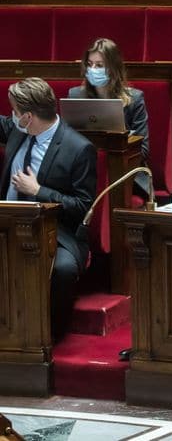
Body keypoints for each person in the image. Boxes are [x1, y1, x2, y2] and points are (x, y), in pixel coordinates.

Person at [1, 77, 97, 339]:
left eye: (16, 112)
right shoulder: (17, 129)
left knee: (63, 270)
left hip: (59, 232)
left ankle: (48, 333)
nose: (12, 117)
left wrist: (38, 191)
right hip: (7, 223)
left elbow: (83, 207)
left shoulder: (78, 149)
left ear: (28, 117)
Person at [68, 37, 150, 193]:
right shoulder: (75, 95)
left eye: (99, 65)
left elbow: (143, 150)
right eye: (90, 64)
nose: (93, 70)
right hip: (84, 171)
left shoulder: (134, 99)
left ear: (113, 68)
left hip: (124, 174)